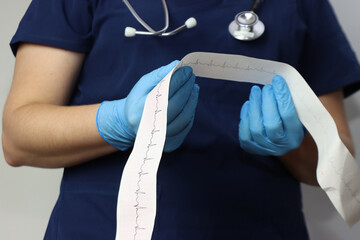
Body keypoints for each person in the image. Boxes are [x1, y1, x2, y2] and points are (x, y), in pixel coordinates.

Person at [2, 0, 360, 239]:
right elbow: (18, 137)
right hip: (100, 228)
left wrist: (294, 145)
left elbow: (340, 160)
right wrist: (116, 121)